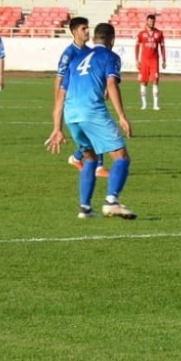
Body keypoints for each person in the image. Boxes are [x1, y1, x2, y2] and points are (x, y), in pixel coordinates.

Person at [46, 23, 136, 219]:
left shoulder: (76, 58)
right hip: (92, 112)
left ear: (94, 38)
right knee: (121, 157)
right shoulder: (111, 57)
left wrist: (57, 128)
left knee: (90, 158)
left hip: (71, 115)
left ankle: (85, 208)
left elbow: (61, 94)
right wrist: (122, 116)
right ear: (112, 40)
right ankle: (111, 202)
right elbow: (111, 83)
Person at [56, 16, 107, 178]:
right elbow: (59, 79)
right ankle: (97, 167)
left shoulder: (90, 52)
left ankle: (77, 158)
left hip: (88, 100)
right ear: (74, 32)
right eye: (83, 29)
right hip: (74, 102)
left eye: (87, 28)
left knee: (92, 134)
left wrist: (103, 88)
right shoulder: (69, 54)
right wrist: (58, 103)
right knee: (96, 131)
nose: (87, 31)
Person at [135, 13, 166, 110]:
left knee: (155, 82)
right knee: (143, 82)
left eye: (153, 21)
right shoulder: (141, 34)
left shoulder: (159, 33)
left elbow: (162, 47)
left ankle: (155, 105)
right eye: (150, 21)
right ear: (147, 22)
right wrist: (136, 60)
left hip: (154, 61)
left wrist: (164, 59)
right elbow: (137, 47)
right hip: (144, 61)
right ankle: (144, 105)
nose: (151, 23)